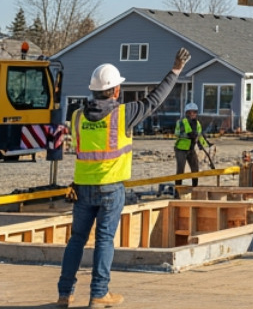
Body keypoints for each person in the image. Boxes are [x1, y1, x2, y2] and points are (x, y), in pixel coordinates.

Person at [56, 47, 191, 308]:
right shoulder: (123, 114)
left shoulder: (76, 116)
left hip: (82, 189)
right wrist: (175, 70)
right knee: (104, 240)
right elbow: (154, 100)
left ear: (93, 90)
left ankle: (64, 293)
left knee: (77, 239)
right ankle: (98, 293)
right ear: (116, 90)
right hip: (110, 189)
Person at [174, 103, 213, 186]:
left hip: (191, 149)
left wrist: (206, 144)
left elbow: (199, 136)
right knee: (180, 170)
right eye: (190, 112)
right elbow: (177, 133)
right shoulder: (181, 122)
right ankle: (178, 190)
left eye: (194, 112)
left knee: (195, 169)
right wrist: (188, 135)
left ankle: (195, 188)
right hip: (181, 149)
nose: (192, 114)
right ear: (186, 113)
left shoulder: (197, 123)